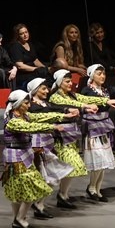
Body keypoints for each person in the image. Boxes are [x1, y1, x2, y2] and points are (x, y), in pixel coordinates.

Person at [0, 90, 67, 228]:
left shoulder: (25, 116)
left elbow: (41, 116)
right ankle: (19, 219)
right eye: (26, 103)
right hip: (15, 158)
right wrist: (52, 127)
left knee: (25, 190)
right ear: (17, 104)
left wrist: (63, 115)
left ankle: (19, 219)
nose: (29, 105)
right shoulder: (13, 121)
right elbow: (31, 127)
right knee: (27, 189)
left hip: (26, 155)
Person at [49, 69, 115, 208]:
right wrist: (85, 107)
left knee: (68, 169)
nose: (70, 83)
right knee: (70, 167)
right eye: (67, 81)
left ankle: (63, 195)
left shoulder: (72, 95)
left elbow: (86, 98)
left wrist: (106, 100)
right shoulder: (55, 97)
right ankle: (43, 200)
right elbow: (78, 104)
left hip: (72, 137)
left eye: (70, 81)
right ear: (59, 82)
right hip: (60, 138)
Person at [80, 64, 115, 202]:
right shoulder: (86, 91)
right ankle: (91, 187)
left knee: (103, 161)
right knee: (97, 159)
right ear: (92, 76)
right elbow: (90, 101)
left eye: (103, 74)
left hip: (104, 127)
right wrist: (106, 101)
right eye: (99, 74)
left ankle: (98, 189)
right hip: (93, 128)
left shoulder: (106, 90)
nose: (103, 76)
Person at [26, 77, 77, 218]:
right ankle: (37, 205)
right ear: (35, 90)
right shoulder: (31, 106)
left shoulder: (44, 104)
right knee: (47, 176)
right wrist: (63, 115)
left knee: (52, 176)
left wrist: (68, 109)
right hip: (38, 145)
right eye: (43, 88)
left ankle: (39, 204)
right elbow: (47, 114)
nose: (46, 91)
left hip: (48, 143)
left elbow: (54, 108)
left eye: (46, 88)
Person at [7, 23, 51, 91]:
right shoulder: (15, 46)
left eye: (26, 32)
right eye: (22, 34)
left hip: (33, 71)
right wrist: (36, 69)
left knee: (48, 73)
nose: (25, 35)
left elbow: (35, 60)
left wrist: (46, 69)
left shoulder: (29, 44)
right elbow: (20, 66)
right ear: (17, 36)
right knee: (42, 74)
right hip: (23, 75)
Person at [86, 23, 115, 88]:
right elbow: (97, 59)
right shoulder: (90, 45)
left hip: (107, 70)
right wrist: (109, 67)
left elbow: (109, 58)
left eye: (101, 32)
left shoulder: (104, 43)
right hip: (97, 71)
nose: (100, 35)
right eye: (97, 33)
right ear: (93, 34)